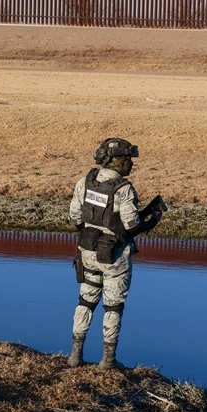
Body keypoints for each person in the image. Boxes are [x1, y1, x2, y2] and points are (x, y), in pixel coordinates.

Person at [67, 138, 165, 369]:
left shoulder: (85, 181)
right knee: (113, 307)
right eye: (128, 159)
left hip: (88, 251)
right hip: (115, 258)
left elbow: (74, 218)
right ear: (115, 160)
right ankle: (108, 361)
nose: (131, 164)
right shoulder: (124, 189)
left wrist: (93, 232)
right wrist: (153, 220)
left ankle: (74, 356)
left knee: (85, 301)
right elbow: (131, 226)